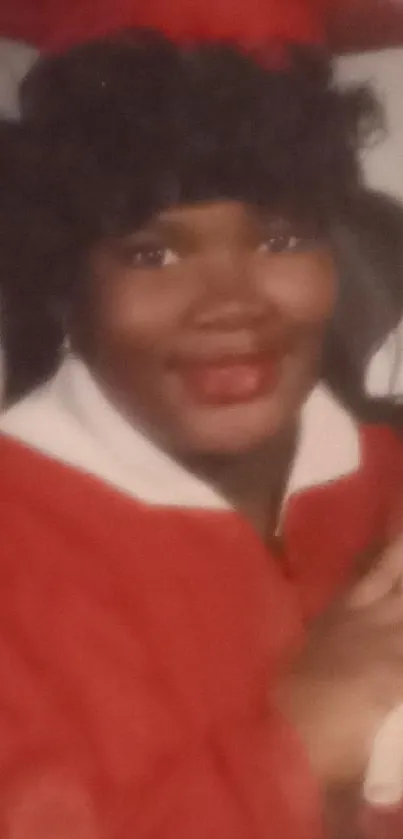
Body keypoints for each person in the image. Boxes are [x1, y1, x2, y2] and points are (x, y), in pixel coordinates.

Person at [1, 30, 403, 839]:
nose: (231, 301)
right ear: (63, 293)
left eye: (281, 239)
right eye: (152, 255)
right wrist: (298, 747)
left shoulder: (384, 475)